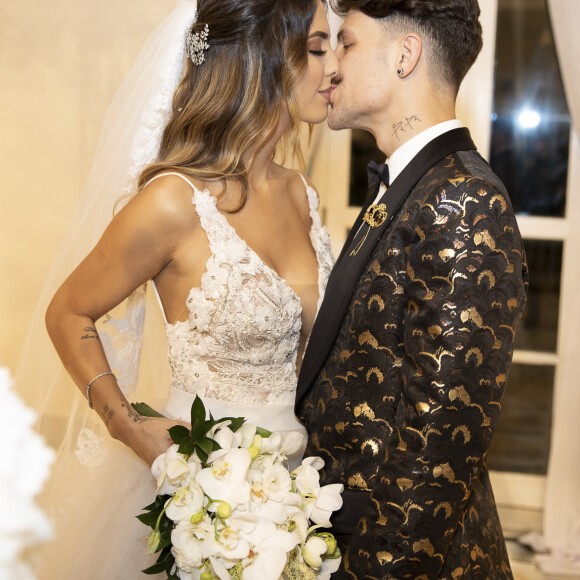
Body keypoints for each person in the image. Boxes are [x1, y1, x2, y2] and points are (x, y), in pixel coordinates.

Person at [31, 0, 337, 577]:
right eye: (318, 48)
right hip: (197, 492)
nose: (332, 68)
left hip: (296, 494)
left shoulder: (303, 193)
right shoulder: (173, 202)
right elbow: (68, 312)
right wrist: (128, 427)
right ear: (264, 58)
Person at [295, 0, 529, 577]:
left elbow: (435, 447)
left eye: (346, 44)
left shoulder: (464, 200)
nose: (331, 67)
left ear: (405, 55)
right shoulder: (412, 185)